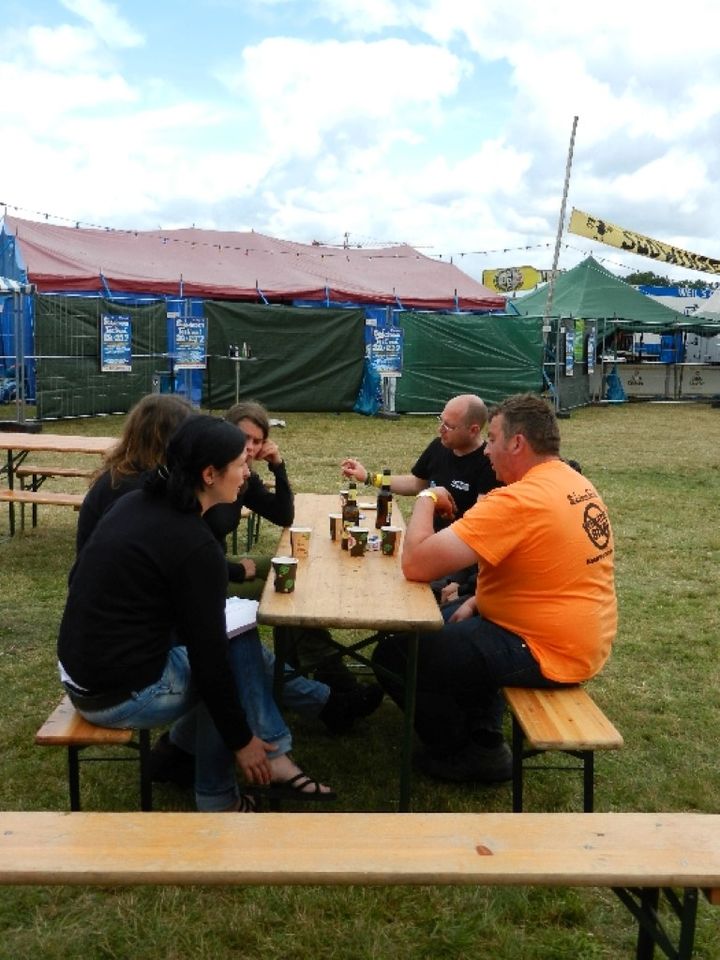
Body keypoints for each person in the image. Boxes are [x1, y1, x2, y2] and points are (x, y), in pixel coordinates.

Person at [59, 414, 334, 811]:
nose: (247, 473)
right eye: (240, 464)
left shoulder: (137, 504)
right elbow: (210, 665)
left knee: (235, 641)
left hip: (81, 674)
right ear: (209, 474)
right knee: (231, 663)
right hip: (119, 695)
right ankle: (225, 795)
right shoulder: (195, 544)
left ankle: (189, 753)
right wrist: (241, 741)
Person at [371, 393, 617, 784]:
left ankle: (467, 752)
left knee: (394, 653)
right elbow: (543, 570)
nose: (486, 451)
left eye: (493, 439)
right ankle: (483, 732)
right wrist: (479, 599)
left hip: (544, 649)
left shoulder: (518, 501)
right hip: (577, 636)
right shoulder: (573, 482)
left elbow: (416, 564)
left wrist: (427, 496)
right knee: (447, 621)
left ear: (517, 443)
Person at [203, 399, 384, 719]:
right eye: (243, 438)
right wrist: (235, 570)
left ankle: (303, 670)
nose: (249, 447)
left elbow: (283, 514)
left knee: (291, 573)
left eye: (257, 441)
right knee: (285, 592)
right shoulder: (209, 475)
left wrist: (278, 464)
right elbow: (189, 549)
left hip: (218, 565)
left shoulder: (243, 477)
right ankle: (329, 680)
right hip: (207, 577)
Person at [342, 393, 501, 600]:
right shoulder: (438, 447)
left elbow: (481, 532)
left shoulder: (489, 464)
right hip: (426, 546)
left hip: (456, 559)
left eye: (449, 426)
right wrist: (369, 477)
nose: (440, 429)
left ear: (473, 430)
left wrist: (460, 581)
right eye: (441, 421)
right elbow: (416, 483)